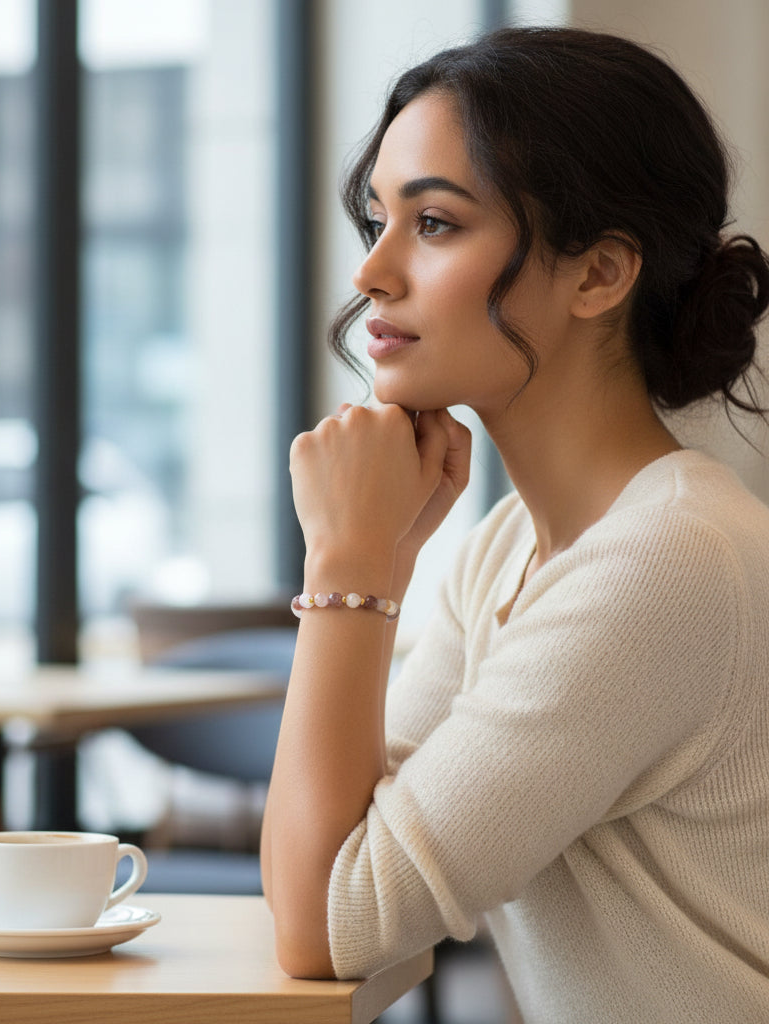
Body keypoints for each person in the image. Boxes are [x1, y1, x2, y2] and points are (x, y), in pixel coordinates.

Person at [259, 25, 769, 1023]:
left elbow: (329, 926)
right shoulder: (506, 547)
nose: (371, 273)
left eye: (436, 224)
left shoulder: (664, 559)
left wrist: (348, 565)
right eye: (377, 223)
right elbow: (330, 872)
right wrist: (379, 566)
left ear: (597, 274)